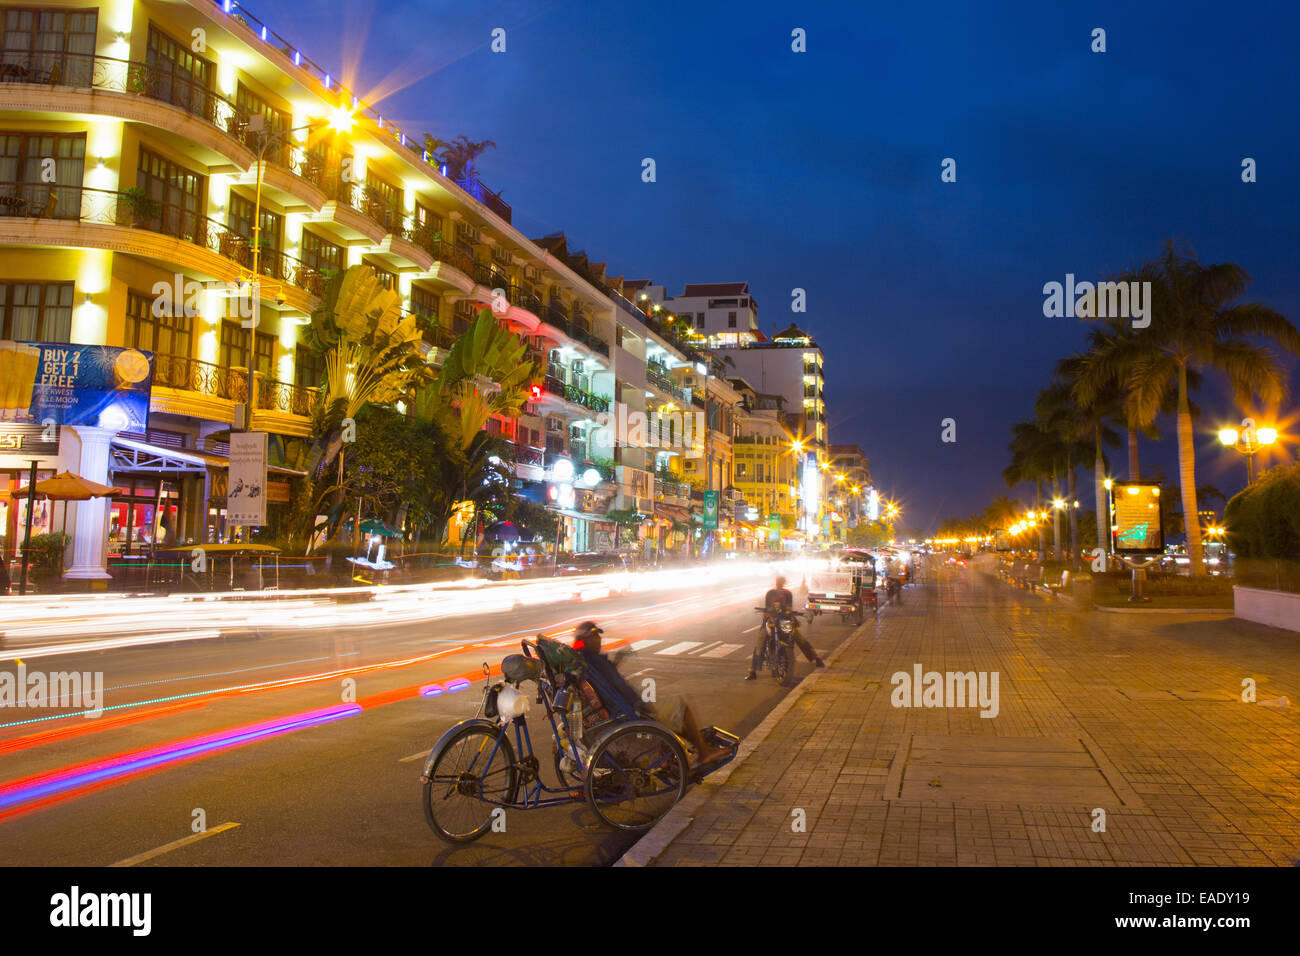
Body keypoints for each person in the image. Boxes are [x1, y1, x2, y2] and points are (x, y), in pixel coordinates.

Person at [571, 621, 729, 766]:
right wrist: (642, 706)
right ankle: (704, 752)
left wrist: (616, 661)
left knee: (673, 718)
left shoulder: (587, 662)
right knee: (681, 706)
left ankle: (696, 746)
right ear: (587, 640)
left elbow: (610, 681)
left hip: (622, 709)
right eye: (595, 636)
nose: (599, 639)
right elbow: (620, 688)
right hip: (630, 710)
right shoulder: (596, 662)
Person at [746, 574, 824, 680]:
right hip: (772, 621)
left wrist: (789, 613)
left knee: (797, 637)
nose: (779, 583)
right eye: (778, 581)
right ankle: (753, 670)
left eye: (781, 582)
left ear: (783, 583)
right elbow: (767, 608)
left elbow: (789, 608)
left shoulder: (787, 593)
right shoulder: (770, 593)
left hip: (784, 621)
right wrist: (768, 614)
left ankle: (815, 658)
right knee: (761, 640)